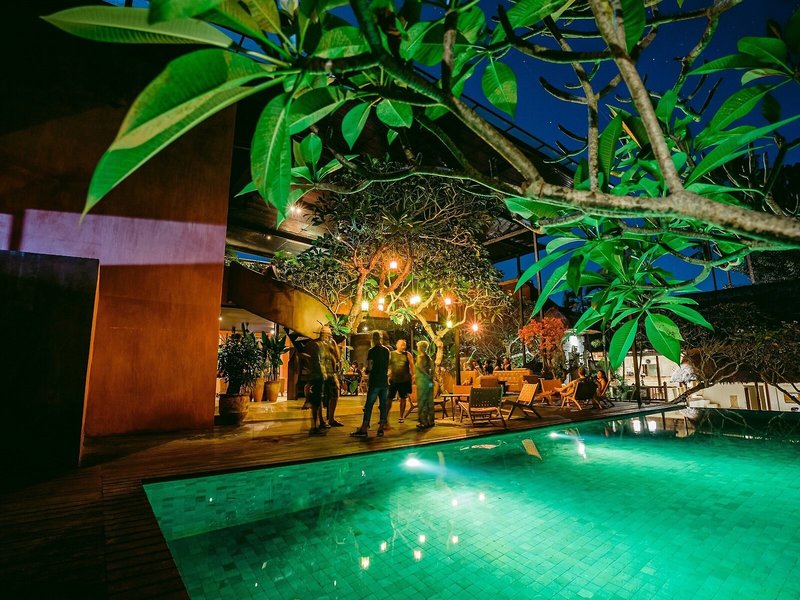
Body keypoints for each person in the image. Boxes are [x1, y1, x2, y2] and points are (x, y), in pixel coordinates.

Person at [351, 331, 391, 438]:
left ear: (373, 339)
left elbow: (370, 366)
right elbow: (388, 366)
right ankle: (381, 429)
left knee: (369, 405)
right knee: (383, 405)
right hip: (384, 381)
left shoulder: (372, 351)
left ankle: (364, 428)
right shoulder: (387, 351)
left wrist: (367, 371)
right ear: (381, 339)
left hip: (375, 381)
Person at [306, 325, 342, 434]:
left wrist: (334, 344)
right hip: (319, 374)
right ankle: (319, 422)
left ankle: (331, 418)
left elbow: (337, 357)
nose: (327, 336)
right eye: (326, 334)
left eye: (329, 334)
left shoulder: (331, 344)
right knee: (318, 398)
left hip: (331, 373)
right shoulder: (315, 344)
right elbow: (312, 360)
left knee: (335, 394)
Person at [388, 339, 415, 423]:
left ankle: (401, 416)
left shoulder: (408, 354)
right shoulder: (391, 354)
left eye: (404, 345)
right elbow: (388, 366)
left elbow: (412, 365)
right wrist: (388, 374)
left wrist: (413, 376)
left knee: (403, 398)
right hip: (393, 380)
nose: (403, 346)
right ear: (397, 345)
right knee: (389, 398)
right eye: (401, 345)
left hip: (404, 380)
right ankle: (385, 416)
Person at [415, 341, 435, 430]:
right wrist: (430, 378)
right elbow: (432, 370)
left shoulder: (420, 357)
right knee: (429, 401)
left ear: (420, 348)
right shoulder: (429, 358)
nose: (417, 348)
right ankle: (431, 421)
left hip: (422, 382)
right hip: (429, 382)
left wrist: (426, 376)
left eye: (418, 347)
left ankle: (423, 422)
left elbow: (420, 369)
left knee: (422, 402)